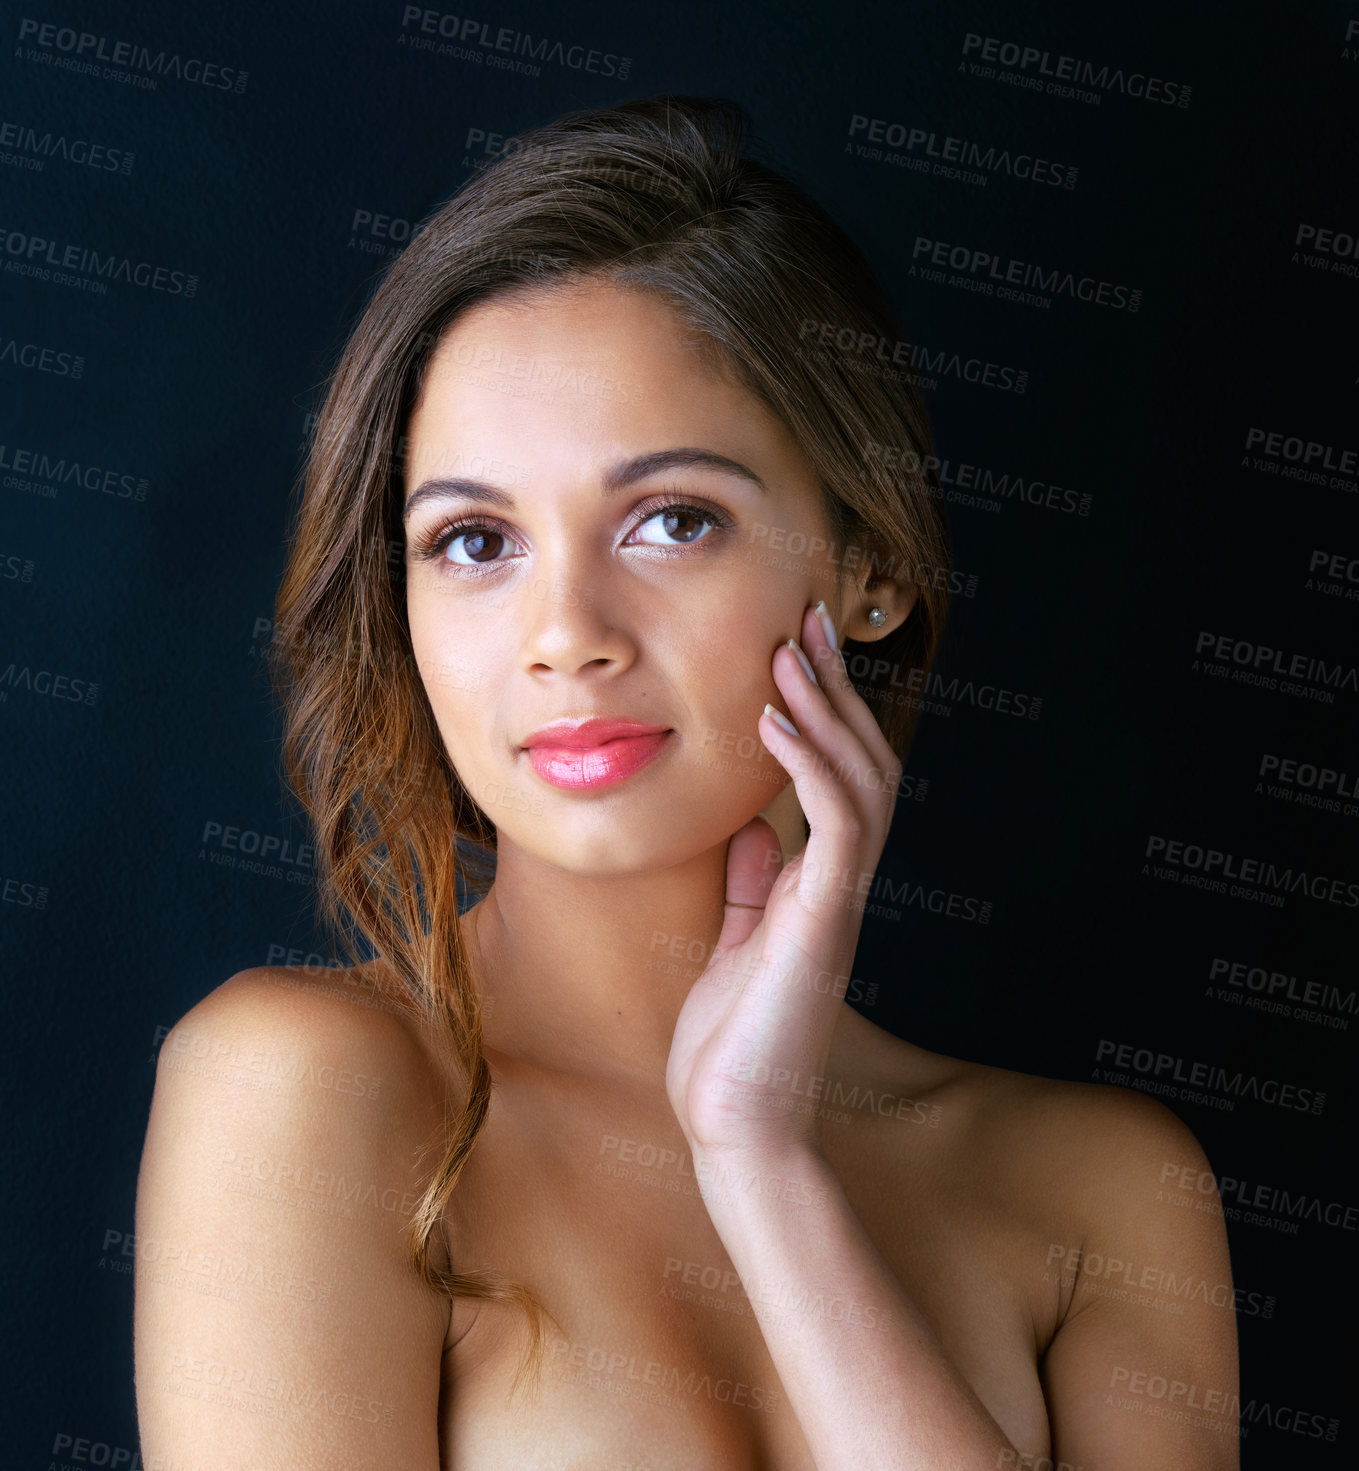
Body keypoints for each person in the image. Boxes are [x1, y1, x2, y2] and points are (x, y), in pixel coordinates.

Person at [134, 96, 1238, 1470]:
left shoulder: (1101, 1187)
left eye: (673, 521)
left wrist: (762, 1167)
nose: (565, 633)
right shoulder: (311, 1090)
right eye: (475, 541)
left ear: (871, 569)